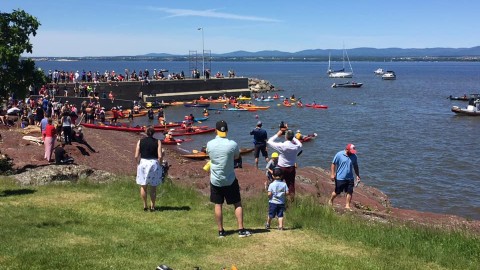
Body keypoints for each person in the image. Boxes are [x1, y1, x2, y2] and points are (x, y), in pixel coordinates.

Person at [206, 120, 251, 238]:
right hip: (230, 178)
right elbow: (236, 156)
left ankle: (221, 231)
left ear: (215, 130)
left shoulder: (210, 144)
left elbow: (209, 155)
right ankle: (241, 230)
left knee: (218, 204)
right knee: (237, 203)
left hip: (215, 179)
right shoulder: (232, 144)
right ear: (227, 130)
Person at [267, 129, 302, 202]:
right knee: (291, 185)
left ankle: (276, 199)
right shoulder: (296, 147)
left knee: (277, 182)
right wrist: (293, 138)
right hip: (291, 168)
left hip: (281, 168)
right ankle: (291, 201)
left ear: (285, 137)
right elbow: (300, 144)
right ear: (292, 137)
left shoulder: (282, 146)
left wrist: (278, 134)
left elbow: (269, 141)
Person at [135, 126, 163, 212]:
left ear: (146, 133)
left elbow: (136, 155)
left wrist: (138, 163)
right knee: (153, 187)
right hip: (153, 163)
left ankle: (145, 205)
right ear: (154, 133)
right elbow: (160, 156)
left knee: (143, 186)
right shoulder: (158, 141)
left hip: (143, 163)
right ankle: (153, 206)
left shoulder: (140, 141)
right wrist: (160, 164)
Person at [328, 144, 361, 211]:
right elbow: (333, 164)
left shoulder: (354, 156)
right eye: (351, 151)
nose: (352, 152)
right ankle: (331, 200)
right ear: (347, 149)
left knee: (350, 192)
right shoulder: (339, 154)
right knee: (337, 192)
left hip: (350, 178)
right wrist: (332, 174)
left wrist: (357, 175)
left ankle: (347, 205)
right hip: (340, 177)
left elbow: (355, 166)